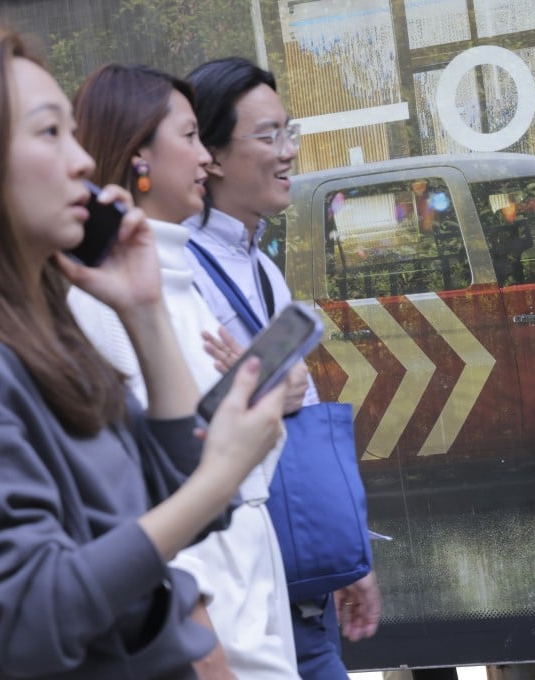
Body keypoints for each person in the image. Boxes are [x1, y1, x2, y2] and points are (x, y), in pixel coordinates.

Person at [0, 22, 287, 679]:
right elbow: (20, 619)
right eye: (49, 133)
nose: (81, 161)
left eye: (73, 132)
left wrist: (144, 311)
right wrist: (218, 479)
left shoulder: (35, 336)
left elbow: (175, 498)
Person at [67, 63, 303, 678]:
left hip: (248, 564)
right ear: (138, 153)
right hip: (212, 590)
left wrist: (260, 409)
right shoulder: (103, 303)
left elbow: (224, 454)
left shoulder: (176, 280)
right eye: (191, 137)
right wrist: (198, 630)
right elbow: (145, 486)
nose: (206, 158)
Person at [183, 56, 380, 679]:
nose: (287, 151)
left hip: (303, 587)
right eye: (267, 137)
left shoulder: (261, 265)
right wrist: (270, 391)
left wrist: (351, 556)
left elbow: (301, 409)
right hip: (245, 591)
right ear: (209, 155)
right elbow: (187, 422)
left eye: (288, 132)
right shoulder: (180, 271)